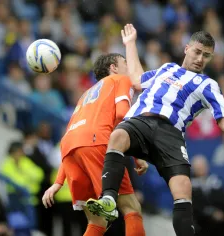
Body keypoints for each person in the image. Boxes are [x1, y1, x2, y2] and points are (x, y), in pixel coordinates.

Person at [87, 24, 224, 236]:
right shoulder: (167, 68)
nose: (200, 59)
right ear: (187, 48)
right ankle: (109, 199)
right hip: (141, 121)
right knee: (118, 135)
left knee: (183, 188)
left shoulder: (208, 84)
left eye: (206, 55)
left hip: (171, 133)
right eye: (197, 52)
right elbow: (138, 81)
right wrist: (130, 44)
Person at [42, 53, 147, 236]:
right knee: (132, 207)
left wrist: (58, 183)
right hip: (97, 143)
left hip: (70, 149)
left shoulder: (85, 94)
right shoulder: (120, 79)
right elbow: (122, 115)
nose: (129, 67)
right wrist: (137, 155)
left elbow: (72, 138)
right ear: (113, 68)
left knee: (97, 221)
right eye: (125, 62)